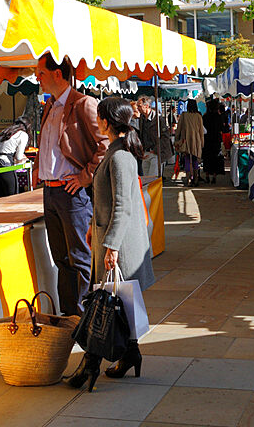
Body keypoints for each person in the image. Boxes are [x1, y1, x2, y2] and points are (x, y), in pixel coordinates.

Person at [66, 97, 155, 392]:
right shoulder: (117, 152)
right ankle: (131, 353)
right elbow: (109, 201)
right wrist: (95, 228)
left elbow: (122, 206)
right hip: (111, 238)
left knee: (105, 305)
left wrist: (112, 245)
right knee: (120, 304)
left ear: (106, 120)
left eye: (99, 117)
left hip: (120, 244)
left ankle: (89, 365)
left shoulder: (119, 157)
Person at [35, 54, 109, 316]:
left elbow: (106, 143)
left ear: (57, 74)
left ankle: (85, 317)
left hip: (72, 193)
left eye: (41, 73)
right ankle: (70, 319)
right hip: (50, 191)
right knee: (61, 260)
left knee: (78, 258)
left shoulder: (83, 103)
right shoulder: (50, 105)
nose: (37, 78)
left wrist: (84, 177)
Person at [0, 117, 30, 199]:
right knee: (12, 198)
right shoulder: (23, 134)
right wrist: (25, 160)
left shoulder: (6, 132)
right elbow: (19, 156)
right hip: (4, 165)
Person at [137, 96, 171, 178]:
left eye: (139, 106)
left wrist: (156, 150)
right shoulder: (141, 118)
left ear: (147, 106)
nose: (138, 108)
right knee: (146, 179)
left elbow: (165, 137)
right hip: (146, 152)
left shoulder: (158, 119)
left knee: (153, 179)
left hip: (155, 153)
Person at [174, 99, 204, 186]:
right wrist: (202, 143)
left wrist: (176, 140)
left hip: (185, 140)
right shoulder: (198, 116)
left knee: (187, 159)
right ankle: (195, 178)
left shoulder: (184, 115)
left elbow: (178, 129)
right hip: (196, 141)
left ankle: (188, 179)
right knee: (195, 160)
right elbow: (201, 131)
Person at [202, 98, 225, 183]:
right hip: (216, 140)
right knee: (215, 158)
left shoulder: (205, 117)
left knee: (207, 158)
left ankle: (207, 175)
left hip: (207, 140)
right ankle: (214, 177)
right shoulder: (218, 117)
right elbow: (222, 128)